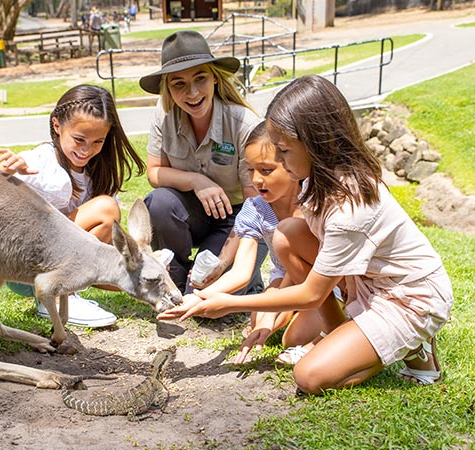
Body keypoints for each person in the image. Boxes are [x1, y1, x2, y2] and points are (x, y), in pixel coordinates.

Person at [162, 75, 453, 394]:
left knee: (309, 376)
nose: (281, 163)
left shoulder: (348, 207)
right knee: (287, 234)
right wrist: (210, 296)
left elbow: (312, 293)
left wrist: (228, 303)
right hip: (362, 283)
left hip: (408, 296)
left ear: (316, 143)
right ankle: (352, 338)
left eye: (283, 151)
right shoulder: (312, 181)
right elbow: (292, 271)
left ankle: (409, 345)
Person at [158, 121, 337, 364]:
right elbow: (241, 272)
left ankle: (333, 319)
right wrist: (198, 297)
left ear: (290, 166)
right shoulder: (255, 209)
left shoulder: (311, 203)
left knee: (287, 335)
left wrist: (270, 316)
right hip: (284, 278)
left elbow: (299, 272)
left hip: (325, 280)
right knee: (261, 321)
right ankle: (297, 316)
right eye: (250, 170)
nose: (256, 180)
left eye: (266, 170)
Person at [0, 84, 146, 328]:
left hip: (52, 261)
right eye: (79, 139)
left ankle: (65, 292)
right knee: (106, 210)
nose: (87, 150)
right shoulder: (39, 160)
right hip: (24, 265)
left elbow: (104, 245)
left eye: (98, 141)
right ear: (57, 125)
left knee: (129, 269)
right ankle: (54, 298)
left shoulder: (96, 173)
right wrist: (7, 172)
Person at [139, 30, 267, 297]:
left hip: (238, 218)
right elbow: (154, 172)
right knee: (159, 202)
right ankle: (176, 272)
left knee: (204, 297)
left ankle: (245, 278)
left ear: (215, 79)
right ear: (167, 89)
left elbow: (256, 206)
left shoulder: (244, 124)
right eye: (179, 84)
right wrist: (197, 181)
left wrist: (222, 263)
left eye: (200, 78)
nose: (193, 92)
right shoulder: (163, 116)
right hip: (190, 214)